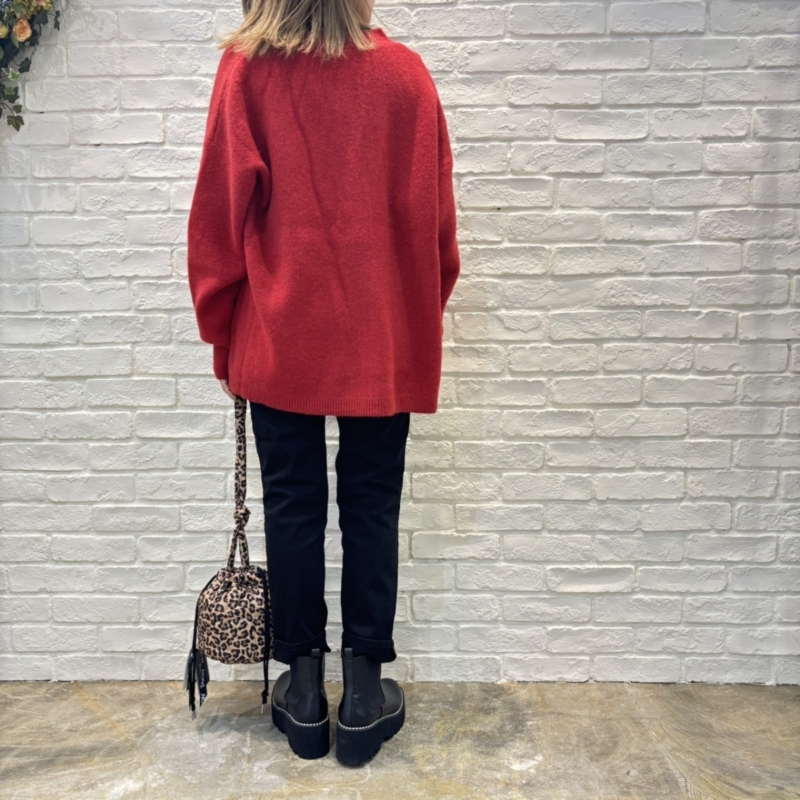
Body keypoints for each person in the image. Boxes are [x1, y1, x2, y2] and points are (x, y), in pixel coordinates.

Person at [186, 0, 460, 767]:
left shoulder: (248, 72)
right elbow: (437, 231)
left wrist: (222, 335)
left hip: (279, 334)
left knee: (293, 505)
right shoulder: (407, 78)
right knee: (373, 504)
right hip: (382, 336)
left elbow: (216, 221)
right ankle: (364, 695)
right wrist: (410, 320)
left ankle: (304, 693)